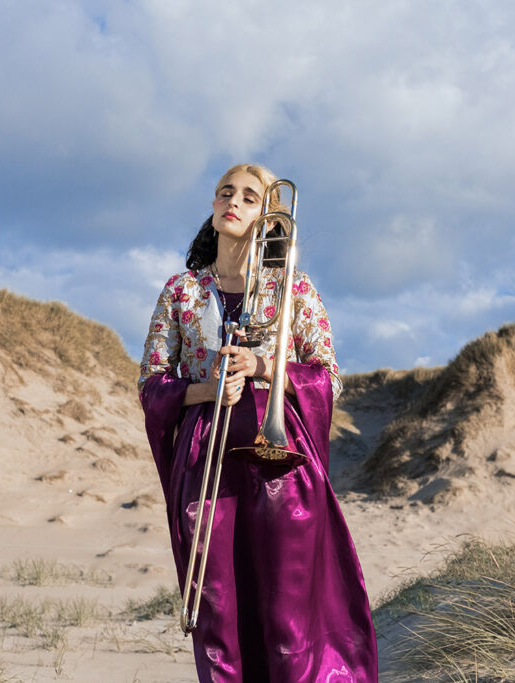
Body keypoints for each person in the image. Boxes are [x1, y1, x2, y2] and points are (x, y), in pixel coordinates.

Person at [138, 163, 378, 682]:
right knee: (218, 606)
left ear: (270, 216)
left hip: (280, 461)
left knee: (287, 613)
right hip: (207, 459)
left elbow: (328, 376)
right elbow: (152, 380)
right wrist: (206, 389)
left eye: (250, 196)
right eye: (226, 192)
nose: (234, 201)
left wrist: (265, 368)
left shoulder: (297, 290)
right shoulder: (181, 291)